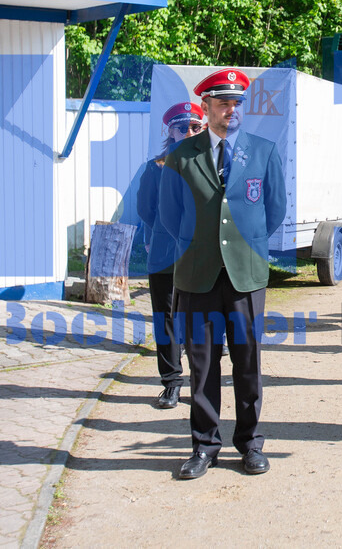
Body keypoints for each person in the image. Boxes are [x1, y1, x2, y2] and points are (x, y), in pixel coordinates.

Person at [159, 68, 287, 478]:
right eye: (223, 103)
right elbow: (169, 215)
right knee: (203, 366)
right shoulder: (182, 156)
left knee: (248, 364)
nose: (231, 110)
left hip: (245, 276)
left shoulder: (263, 151)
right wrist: (203, 246)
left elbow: (274, 209)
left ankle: (250, 444)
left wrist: (243, 247)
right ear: (206, 107)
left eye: (237, 103)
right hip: (198, 275)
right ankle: (204, 446)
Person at [137, 102, 204, 409]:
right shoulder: (156, 167)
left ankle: (202, 385)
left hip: (202, 254)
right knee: (165, 318)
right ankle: (172, 383)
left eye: (195, 127)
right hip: (165, 253)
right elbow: (145, 209)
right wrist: (170, 233)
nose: (188, 132)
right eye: (182, 127)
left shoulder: (213, 163)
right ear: (170, 131)